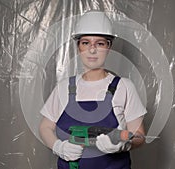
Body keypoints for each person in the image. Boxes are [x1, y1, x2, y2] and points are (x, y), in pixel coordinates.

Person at [39, 10, 147, 169]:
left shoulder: (124, 87)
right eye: (85, 42)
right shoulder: (64, 87)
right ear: (78, 47)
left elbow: (139, 135)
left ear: (109, 47)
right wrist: (58, 147)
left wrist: (124, 144)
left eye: (100, 43)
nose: (92, 49)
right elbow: (45, 127)